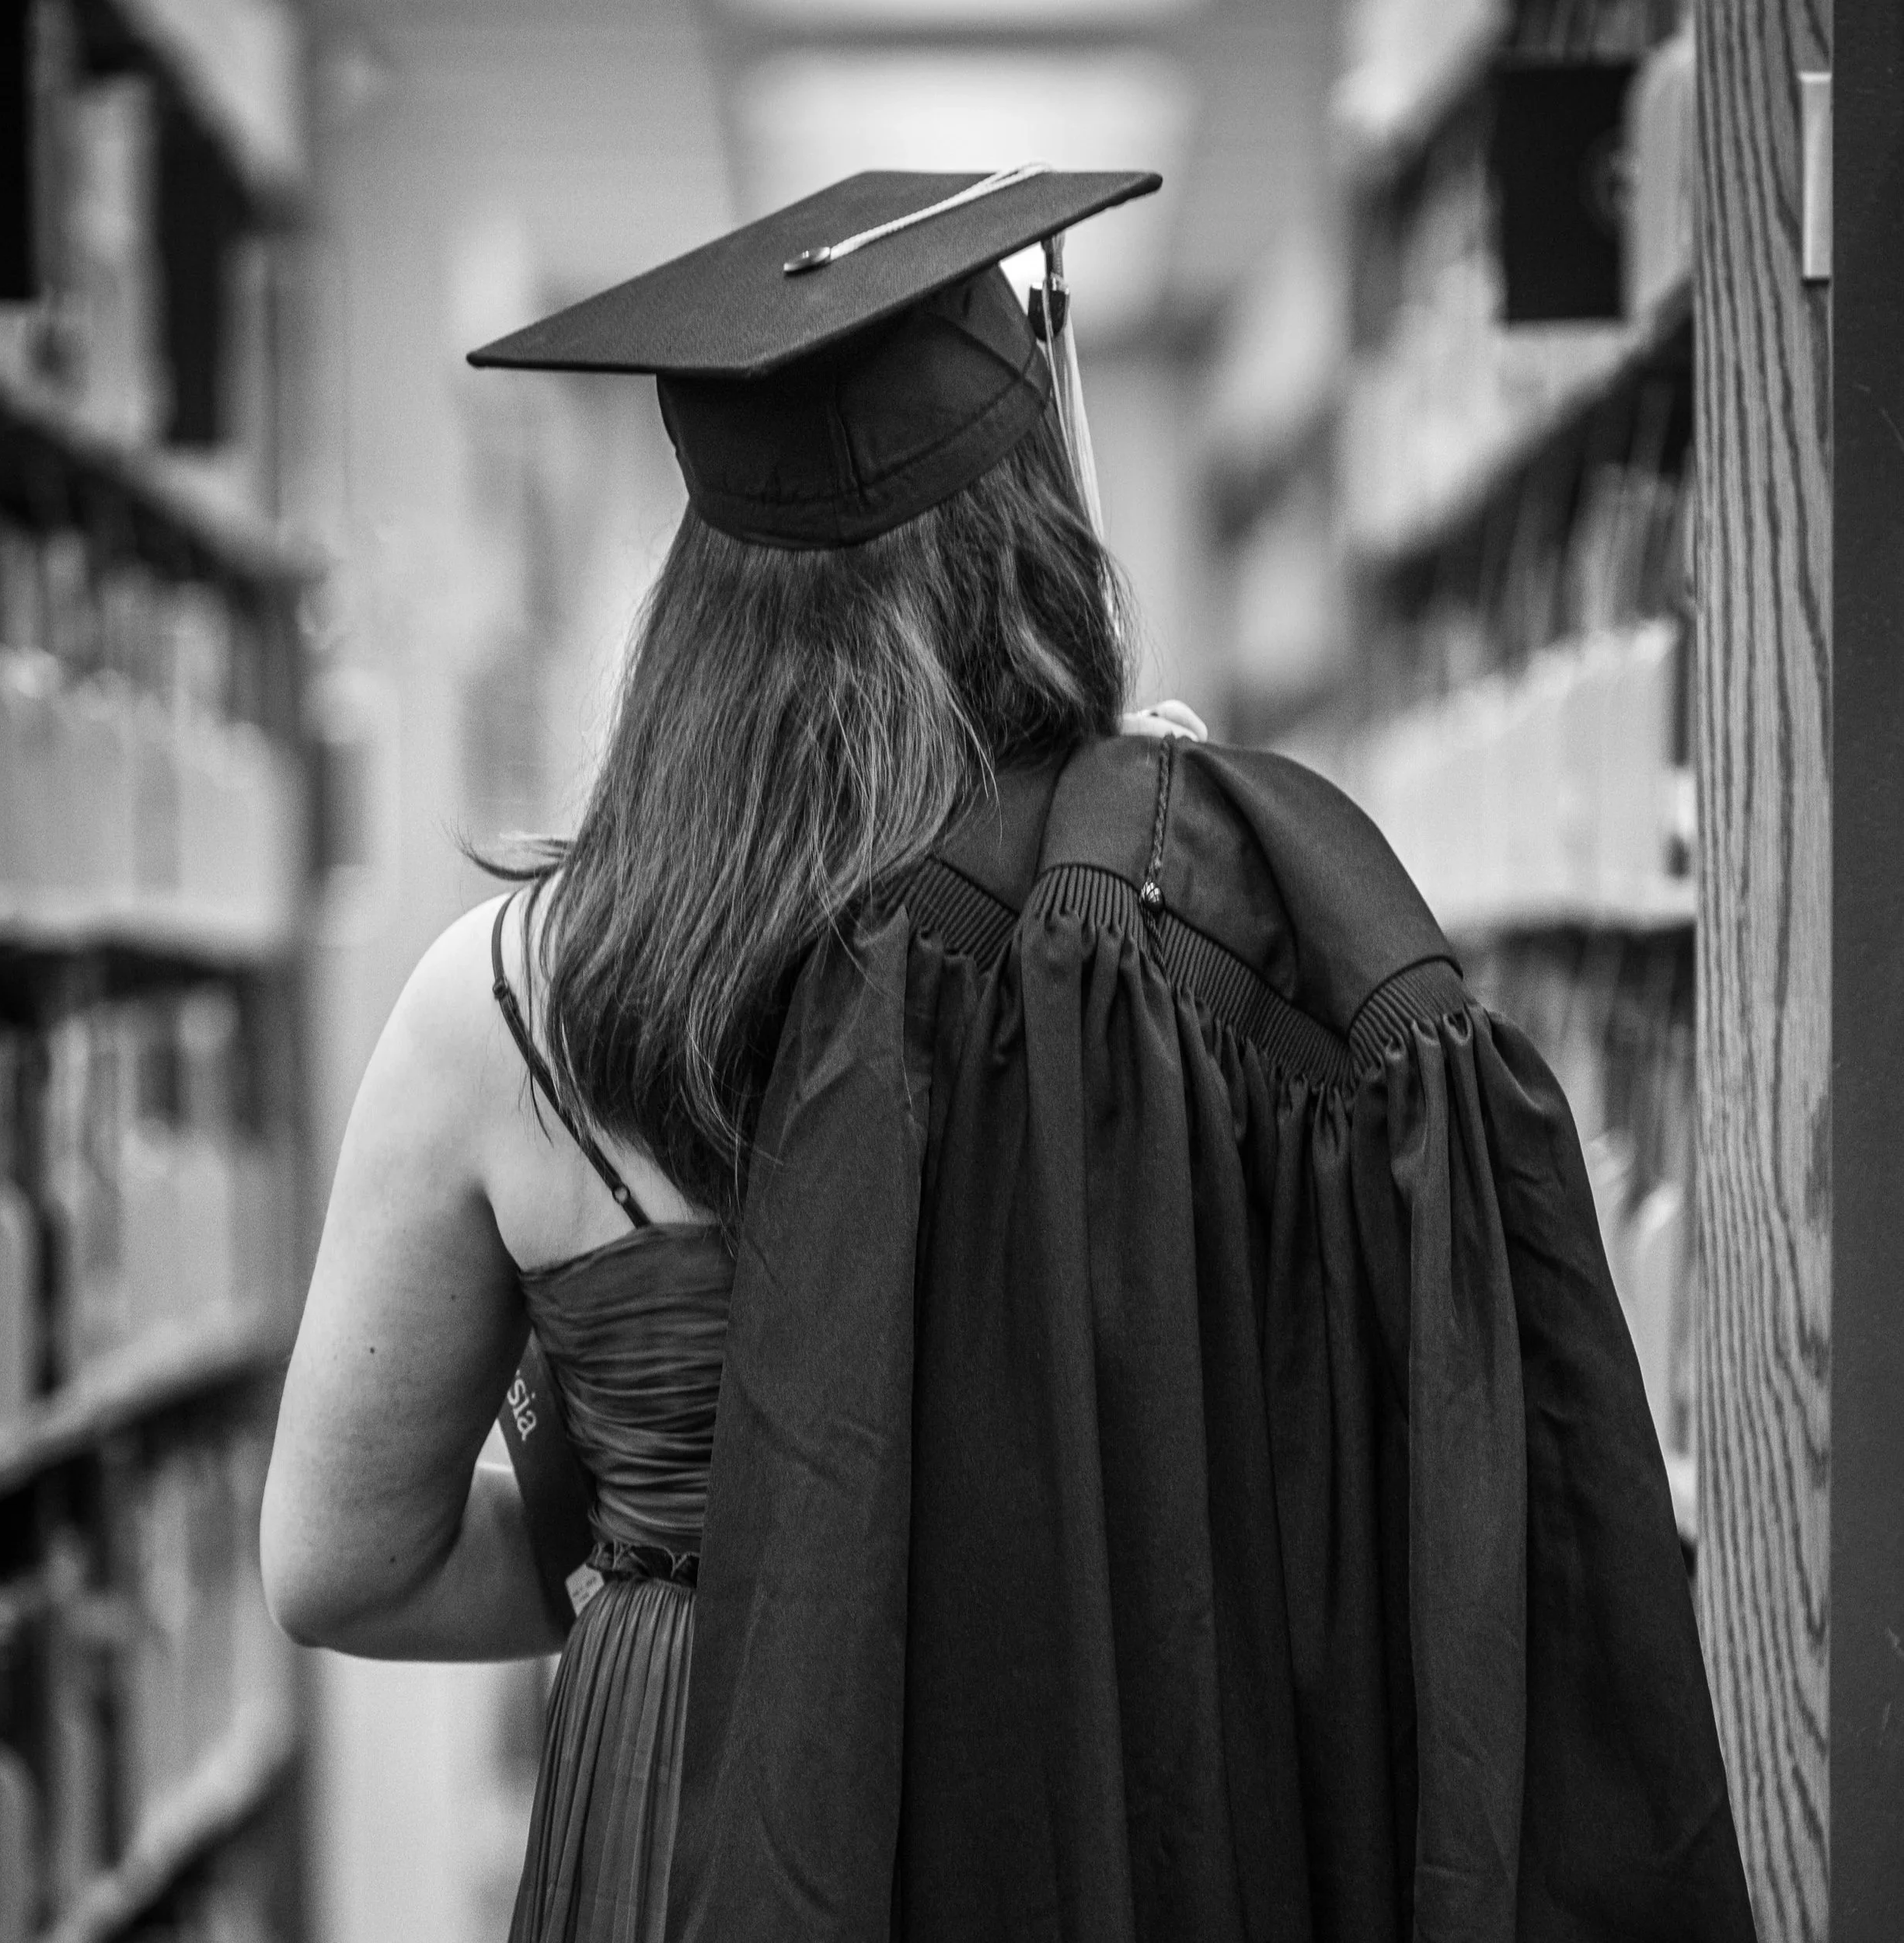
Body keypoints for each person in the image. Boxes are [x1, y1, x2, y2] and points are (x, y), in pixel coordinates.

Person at [261, 170, 1756, 1943]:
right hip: (1095, 1774)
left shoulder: (508, 993)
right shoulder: (1151, 951)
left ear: (690, 589)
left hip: (689, 1793)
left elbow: (345, 1557)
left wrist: (673, 1552)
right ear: (1036, 536)